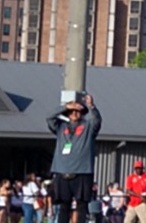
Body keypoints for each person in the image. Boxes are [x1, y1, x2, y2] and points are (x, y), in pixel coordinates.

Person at [48, 94, 101, 223]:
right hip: (62, 171)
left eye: (77, 111)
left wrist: (91, 106)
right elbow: (49, 118)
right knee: (64, 206)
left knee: (82, 206)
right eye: (71, 111)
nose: (74, 114)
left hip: (82, 172)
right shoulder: (61, 127)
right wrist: (65, 106)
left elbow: (97, 121)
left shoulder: (88, 126)